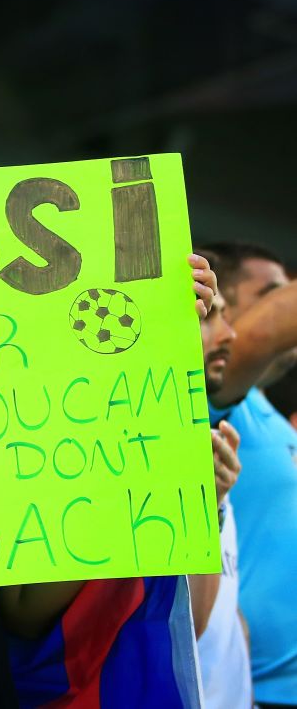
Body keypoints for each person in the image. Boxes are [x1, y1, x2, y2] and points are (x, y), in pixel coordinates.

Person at [200, 241, 297, 708]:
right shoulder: (218, 395)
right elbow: (266, 333)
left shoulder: (266, 414)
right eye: (270, 293)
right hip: (254, 688)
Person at [185, 258, 251, 708]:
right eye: (211, 315)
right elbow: (192, 621)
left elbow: (224, 609)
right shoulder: (145, 451)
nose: (229, 334)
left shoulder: (210, 444)